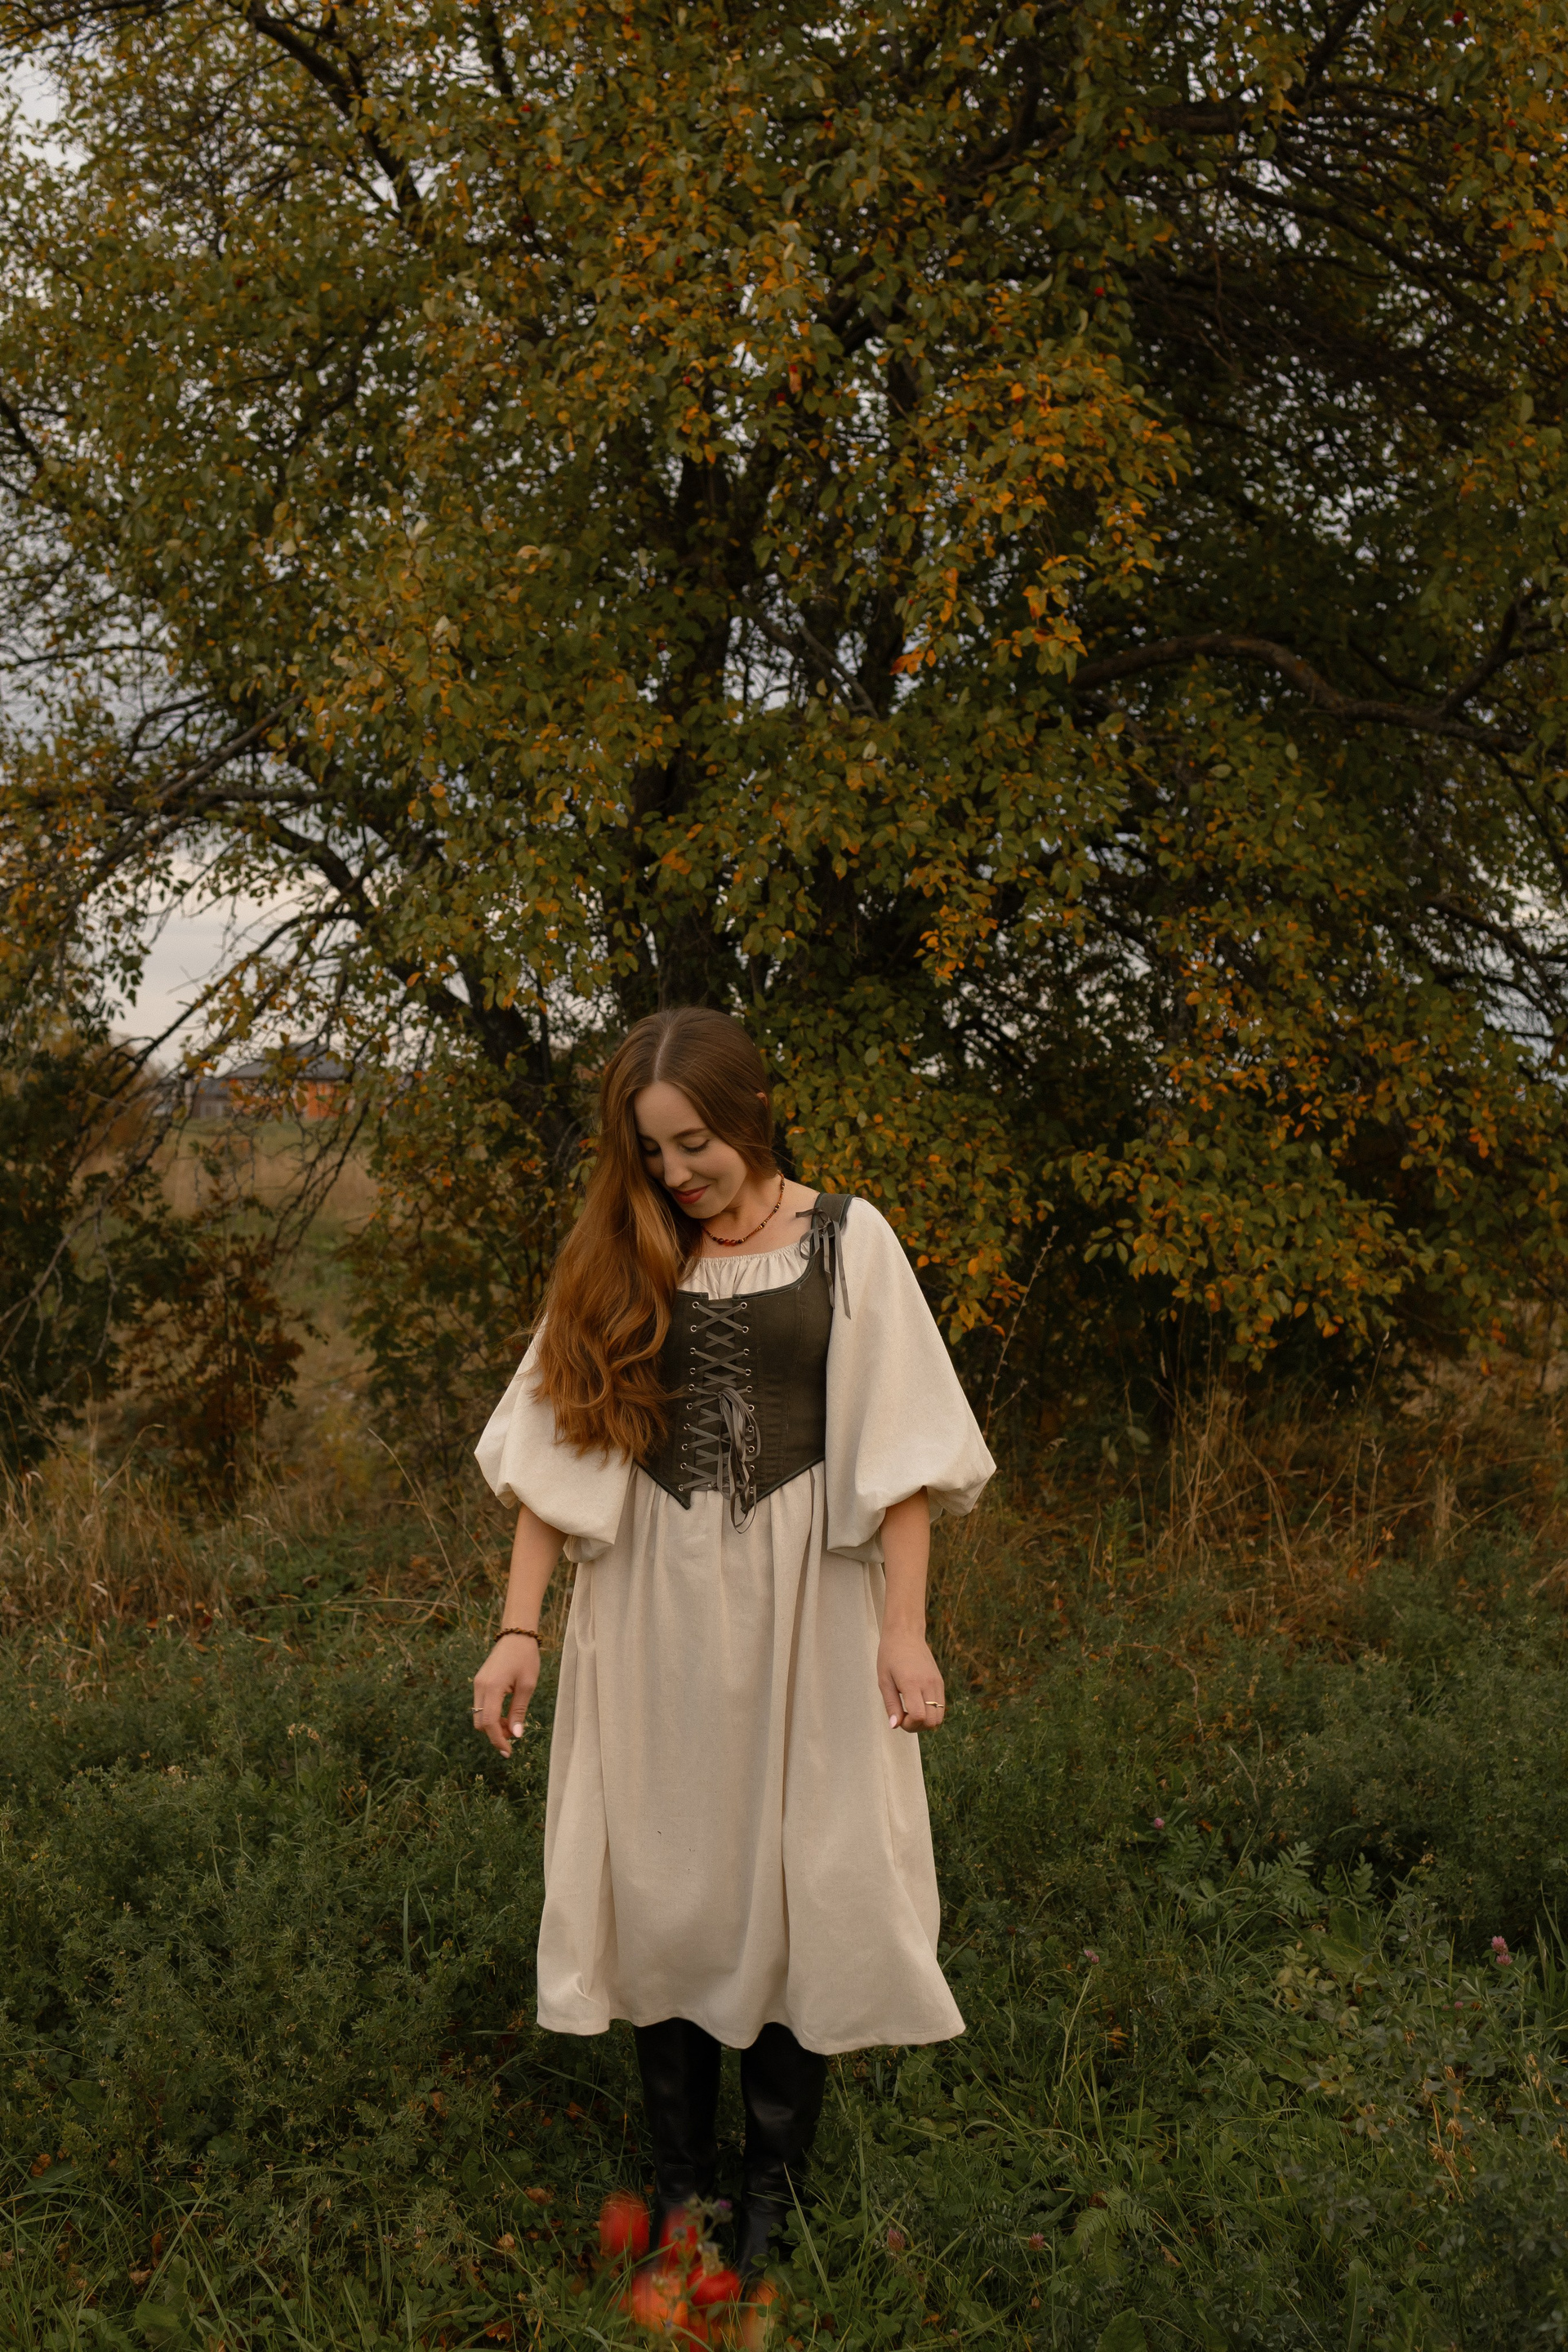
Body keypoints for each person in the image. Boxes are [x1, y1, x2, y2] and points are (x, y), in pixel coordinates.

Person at [470, 1006, 994, 2283]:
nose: (675, 1173)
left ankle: (772, 2190)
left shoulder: (849, 1241)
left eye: (692, 1143)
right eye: (651, 1151)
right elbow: (557, 1449)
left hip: (808, 1600)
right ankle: (681, 2186)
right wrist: (519, 1628)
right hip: (651, 1600)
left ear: (749, 1114)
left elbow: (906, 1461)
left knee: (805, 1867)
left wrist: (905, 1632)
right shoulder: (623, 1248)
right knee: (666, 1877)